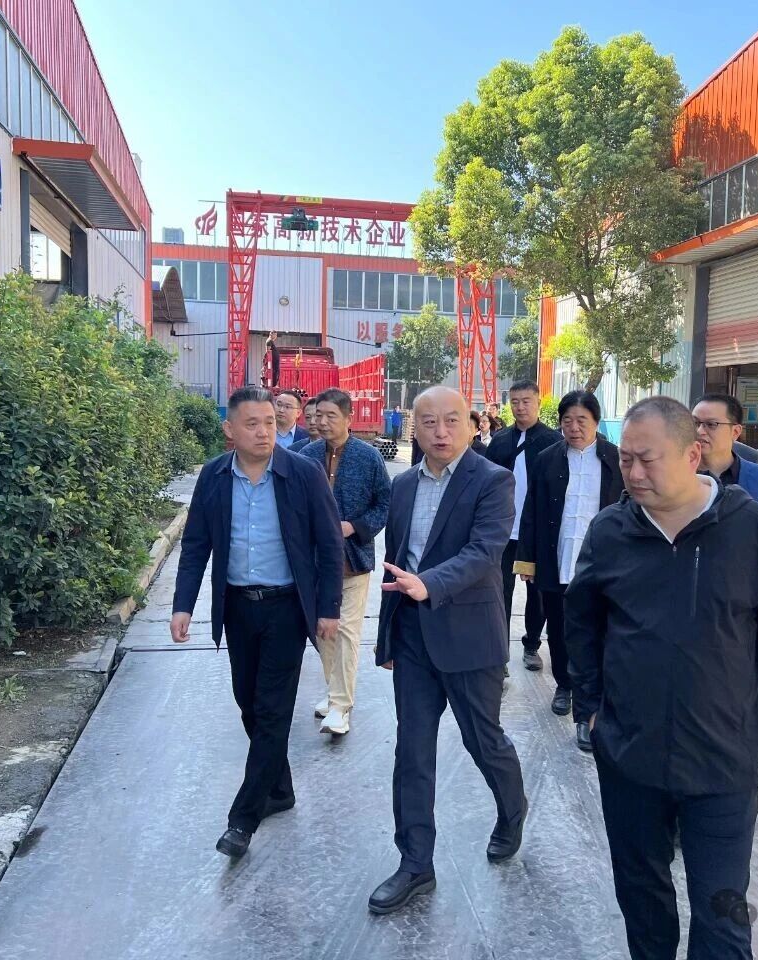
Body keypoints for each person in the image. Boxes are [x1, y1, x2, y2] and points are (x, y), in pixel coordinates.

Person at [566, 395, 758, 960]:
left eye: (647, 460)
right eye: (626, 459)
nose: (633, 473)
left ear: (692, 455)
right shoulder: (611, 531)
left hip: (721, 759)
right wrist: (590, 706)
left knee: (721, 912)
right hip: (630, 756)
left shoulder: (751, 529)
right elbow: (582, 623)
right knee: (642, 897)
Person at [368, 386, 528, 915]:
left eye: (452, 420)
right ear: (413, 427)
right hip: (414, 637)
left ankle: (512, 810)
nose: (441, 432)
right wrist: (389, 636)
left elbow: (485, 552)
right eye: (429, 422)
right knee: (412, 751)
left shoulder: (493, 480)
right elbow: (396, 563)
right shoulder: (403, 485)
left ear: (472, 425)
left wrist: (429, 584)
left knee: (484, 742)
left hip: (469, 636)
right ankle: (415, 863)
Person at [170, 387, 343, 861]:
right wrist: (183, 605)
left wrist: (329, 607)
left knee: (272, 710)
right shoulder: (213, 476)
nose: (264, 431)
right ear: (230, 429)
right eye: (252, 424)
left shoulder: (302, 474)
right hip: (238, 607)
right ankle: (280, 789)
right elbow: (196, 544)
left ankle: (242, 819)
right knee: (247, 703)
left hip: (287, 608)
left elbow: (330, 544)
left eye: (269, 421)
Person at [513, 390, 623, 752]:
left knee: (600, 634)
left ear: (596, 422)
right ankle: (564, 684)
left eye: (582, 421)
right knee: (559, 630)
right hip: (556, 559)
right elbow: (531, 510)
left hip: (603, 567)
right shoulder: (547, 459)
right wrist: (527, 560)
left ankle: (591, 707)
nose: (574, 428)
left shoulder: (615, 459)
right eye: (567, 421)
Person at [297, 388, 391, 735]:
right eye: (317, 415)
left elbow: (385, 503)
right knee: (323, 630)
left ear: (349, 418)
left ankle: (340, 706)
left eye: (330, 416)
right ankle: (335, 691)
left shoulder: (369, 457)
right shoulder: (305, 456)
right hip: (314, 562)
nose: (321, 422)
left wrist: (355, 526)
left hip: (352, 560)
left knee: (347, 630)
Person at [485, 380, 561, 672]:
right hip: (502, 530)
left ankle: (531, 645)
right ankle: (499, 654)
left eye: (526, 401)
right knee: (499, 591)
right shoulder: (500, 440)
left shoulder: (553, 441)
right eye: (515, 401)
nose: (520, 407)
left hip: (537, 532)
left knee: (538, 593)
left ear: (538, 403)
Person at [692, 394, 758, 534]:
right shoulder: (672, 477)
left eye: (711, 424)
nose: (700, 431)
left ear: (735, 431)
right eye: (695, 423)